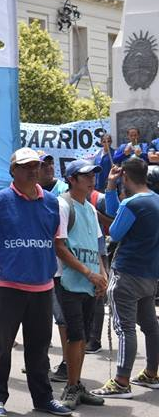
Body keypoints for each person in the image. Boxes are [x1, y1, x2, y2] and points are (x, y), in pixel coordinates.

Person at [0, 147, 72, 417]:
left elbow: (57, 242)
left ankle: (43, 399)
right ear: (13, 171)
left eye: (35, 166)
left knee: (39, 348)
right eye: (26, 166)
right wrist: (4, 259)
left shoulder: (53, 203)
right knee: (1, 347)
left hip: (42, 285)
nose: (32, 170)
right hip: (7, 286)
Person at [91, 157, 159, 398]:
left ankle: (121, 381)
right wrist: (110, 188)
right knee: (150, 326)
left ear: (125, 177)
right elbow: (116, 213)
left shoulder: (132, 203)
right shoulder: (155, 200)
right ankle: (152, 373)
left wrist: (111, 190)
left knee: (125, 328)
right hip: (150, 274)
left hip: (128, 273)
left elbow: (116, 231)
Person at [54, 159, 108, 408]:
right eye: (85, 176)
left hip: (90, 281)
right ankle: (71, 387)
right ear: (72, 179)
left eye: (93, 175)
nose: (91, 179)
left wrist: (103, 274)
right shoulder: (63, 204)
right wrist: (90, 273)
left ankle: (76, 384)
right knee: (75, 335)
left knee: (83, 336)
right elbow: (60, 247)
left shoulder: (89, 207)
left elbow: (97, 245)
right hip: (69, 281)